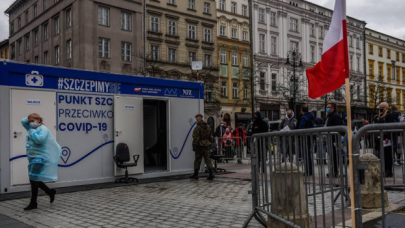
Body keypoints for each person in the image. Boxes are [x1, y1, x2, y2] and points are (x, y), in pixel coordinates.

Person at [22, 113, 62, 210]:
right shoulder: (32, 128)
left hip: (40, 157)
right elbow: (23, 121)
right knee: (34, 178)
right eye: (30, 121)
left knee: (33, 179)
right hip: (32, 157)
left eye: (33, 121)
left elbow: (40, 140)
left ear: (39, 120)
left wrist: (32, 132)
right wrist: (30, 120)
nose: (31, 123)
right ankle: (49, 192)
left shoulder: (42, 129)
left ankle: (33, 202)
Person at [190, 114, 215, 180]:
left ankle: (196, 174)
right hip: (207, 145)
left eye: (197, 118)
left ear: (198, 119)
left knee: (197, 160)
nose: (196, 119)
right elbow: (211, 137)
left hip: (200, 146)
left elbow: (196, 138)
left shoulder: (198, 127)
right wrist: (209, 143)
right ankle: (211, 173)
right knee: (208, 159)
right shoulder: (208, 126)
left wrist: (194, 145)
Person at [375, 102, 395, 177]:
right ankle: (383, 170)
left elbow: (391, 126)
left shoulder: (389, 115)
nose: (381, 108)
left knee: (387, 155)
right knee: (380, 155)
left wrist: (388, 137)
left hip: (386, 138)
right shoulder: (379, 116)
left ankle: (388, 170)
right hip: (380, 138)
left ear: (386, 107)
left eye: (382, 107)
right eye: (380, 106)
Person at [325, 103, 343, 178]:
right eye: (327, 107)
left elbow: (338, 128)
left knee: (334, 156)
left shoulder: (335, 116)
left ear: (333, 108)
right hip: (331, 139)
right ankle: (332, 171)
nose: (327, 108)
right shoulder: (330, 116)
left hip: (334, 139)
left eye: (329, 107)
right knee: (331, 156)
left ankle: (334, 172)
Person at [298, 105, 315, 176]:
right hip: (310, 136)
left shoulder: (303, 117)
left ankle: (308, 170)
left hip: (305, 137)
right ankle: (310, 170)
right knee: (308, 154)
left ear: (302, 110)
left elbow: (301, 128)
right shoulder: (311, 116)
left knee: (306, 154)